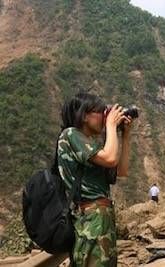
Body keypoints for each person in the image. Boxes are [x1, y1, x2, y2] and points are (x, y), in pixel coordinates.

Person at [56, 92, 133, 267]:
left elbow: (121, 170)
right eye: (101, 111)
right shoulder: (70, 134)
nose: (105, 116)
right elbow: (110, 159)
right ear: (84, 115)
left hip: (101, 218)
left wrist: (125, 135)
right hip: (91, 219)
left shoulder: (91, 144)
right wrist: (111, 125)